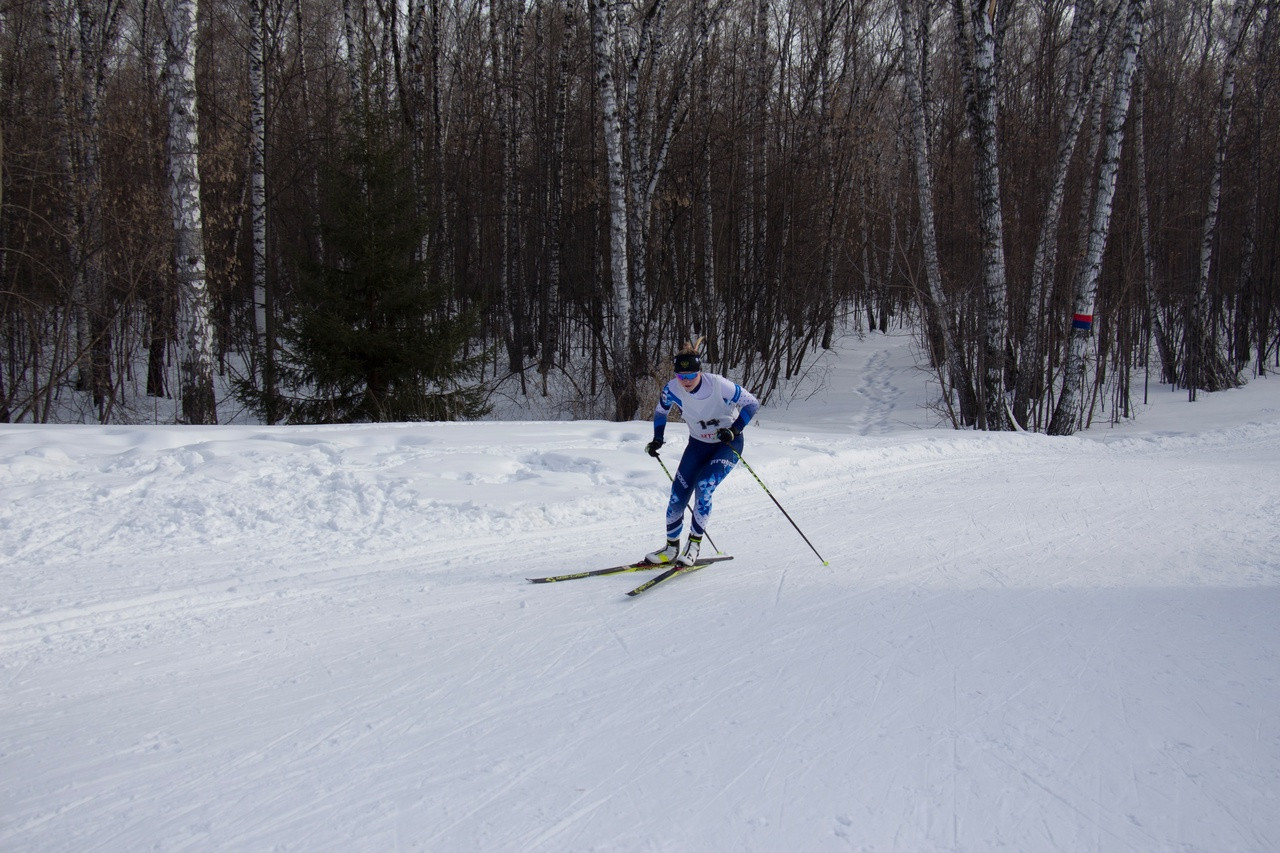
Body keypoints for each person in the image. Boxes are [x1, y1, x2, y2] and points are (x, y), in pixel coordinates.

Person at [644, 342, 761, 566]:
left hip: (727, 444)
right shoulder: (672, 389)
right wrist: (658, 438)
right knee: (678, 494)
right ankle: (670, 548)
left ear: (700, 372)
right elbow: (660, 412)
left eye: (691, 375)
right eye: (681, 376)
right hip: (697, 444)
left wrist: (734, 430)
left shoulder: (718, 385)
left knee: (705, 486)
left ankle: (694, 545)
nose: (686, 381)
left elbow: (751, 404)